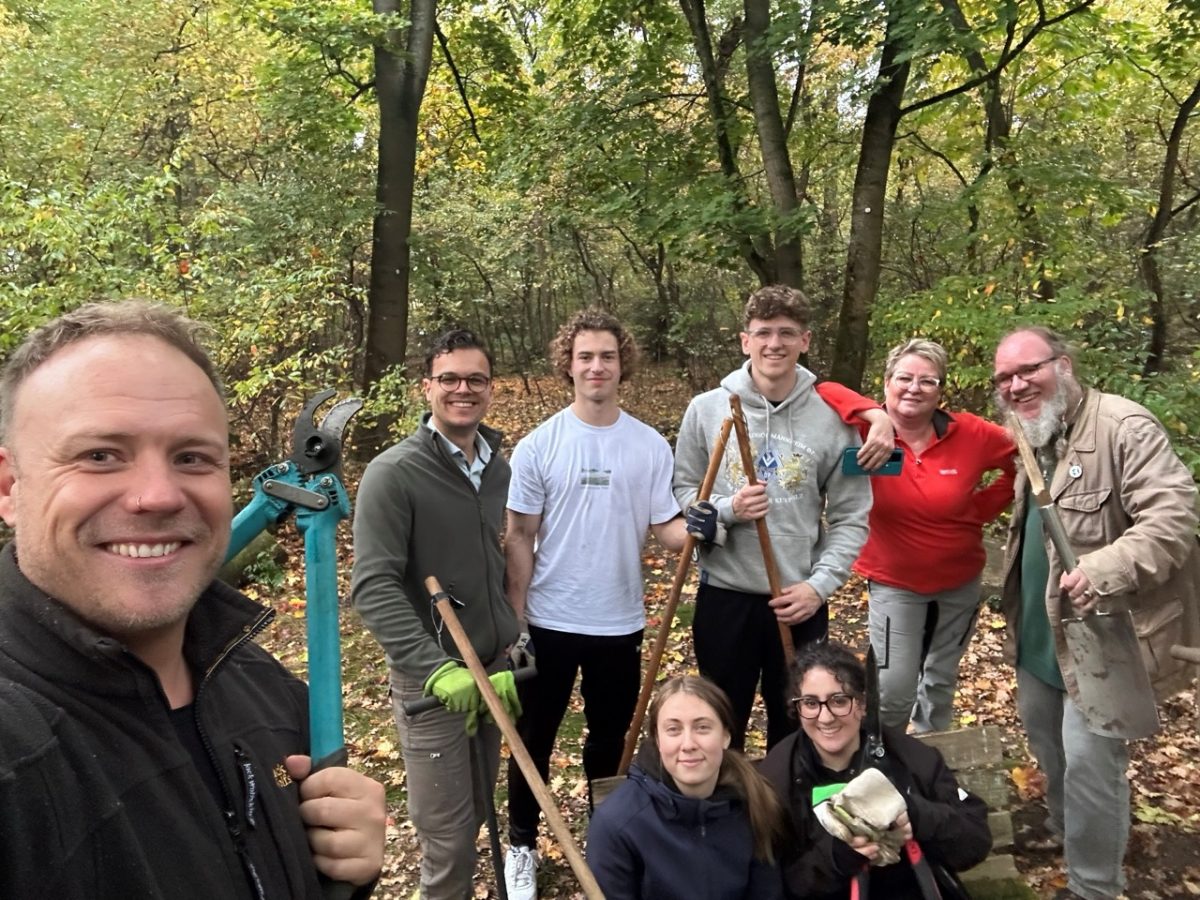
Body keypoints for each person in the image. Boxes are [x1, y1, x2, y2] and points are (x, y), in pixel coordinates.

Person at [0, 301, 386, 899]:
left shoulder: (270, 693)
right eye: (100, 455)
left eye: (191, 457)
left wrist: (344, 877)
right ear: (9, 487)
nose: (156, 495)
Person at [993, 326, 1200, 900]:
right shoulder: (1034, 434)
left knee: (1090, 764)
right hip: (1041, 637)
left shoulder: (1122, 427)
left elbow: (1172, 519)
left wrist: (1103, 570)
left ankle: (1092, 887)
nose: (1016, 385)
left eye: (1027, 370)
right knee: (1047, 743)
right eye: (1005, 378)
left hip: (1103, 640)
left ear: (1063, 364)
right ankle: (1064, 828)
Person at [503, 310, 695, 899]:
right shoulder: (540, 444)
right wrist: (517, 621)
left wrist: (707, 525)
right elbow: (518, 536)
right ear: (568, 363)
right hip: (550, 619)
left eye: (606, 356)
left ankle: (606, 836)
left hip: (619, 621)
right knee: (534, 736)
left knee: (611, 739)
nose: (596, 366)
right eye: (585, 356)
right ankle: (522, 845)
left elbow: (667, 528)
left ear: (622, 364)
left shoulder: (647, 446)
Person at [351, 329, 521, 900]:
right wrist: (436, 668)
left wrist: (512, 639)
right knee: (448, 843)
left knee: (476, 815)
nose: (462, 389)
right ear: (427, 387)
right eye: (449, 378)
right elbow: (372, 586)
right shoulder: (393, 474)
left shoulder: (497, 467)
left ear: (490, 388)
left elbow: (494, 562)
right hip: (435, 685)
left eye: (475, 379)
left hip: (490, 672)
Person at [673, 284, 874, 751]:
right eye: (763, 332)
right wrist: (728, 510)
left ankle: (789, 816)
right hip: (724, 597)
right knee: (722, 722)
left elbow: (851, 516)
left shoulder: (833, 419)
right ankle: (731, 812)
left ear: (805, 340)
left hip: (798, 600)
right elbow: (685, 492)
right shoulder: (707, 410)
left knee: (797, 725)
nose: (774, 344)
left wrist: (818, 587)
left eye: (786, 333)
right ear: (745, 340)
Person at [825, 339, 1016, 732]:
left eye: (928, 381)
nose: (914, 388)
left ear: (941, 391)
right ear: (886, 382)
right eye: (904, 378)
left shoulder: (971, 433)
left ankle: (929, 759)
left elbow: (1022, 461)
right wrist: (877, 420)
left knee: (940, 680)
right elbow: (820, 388)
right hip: (896, 581)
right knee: (894, 688)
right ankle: (882, 759)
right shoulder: (861, 430)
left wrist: (977, 511)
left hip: (959, 581)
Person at [759, 641, 990, 899]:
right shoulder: (778, 776)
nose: (825, 717)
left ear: (861, 704)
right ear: (798, 709)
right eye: (811, 703)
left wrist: (916, 815)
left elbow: (975, 841)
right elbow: (774, 882)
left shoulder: (909, 757)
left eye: (839, 700)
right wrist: (838, 856)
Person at [587, 674, 785, 900]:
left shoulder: (755, 801)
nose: (688, 744)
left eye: (702, 727)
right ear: (657, 740)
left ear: (725, 736)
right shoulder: (617, 824)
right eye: (673, 729)